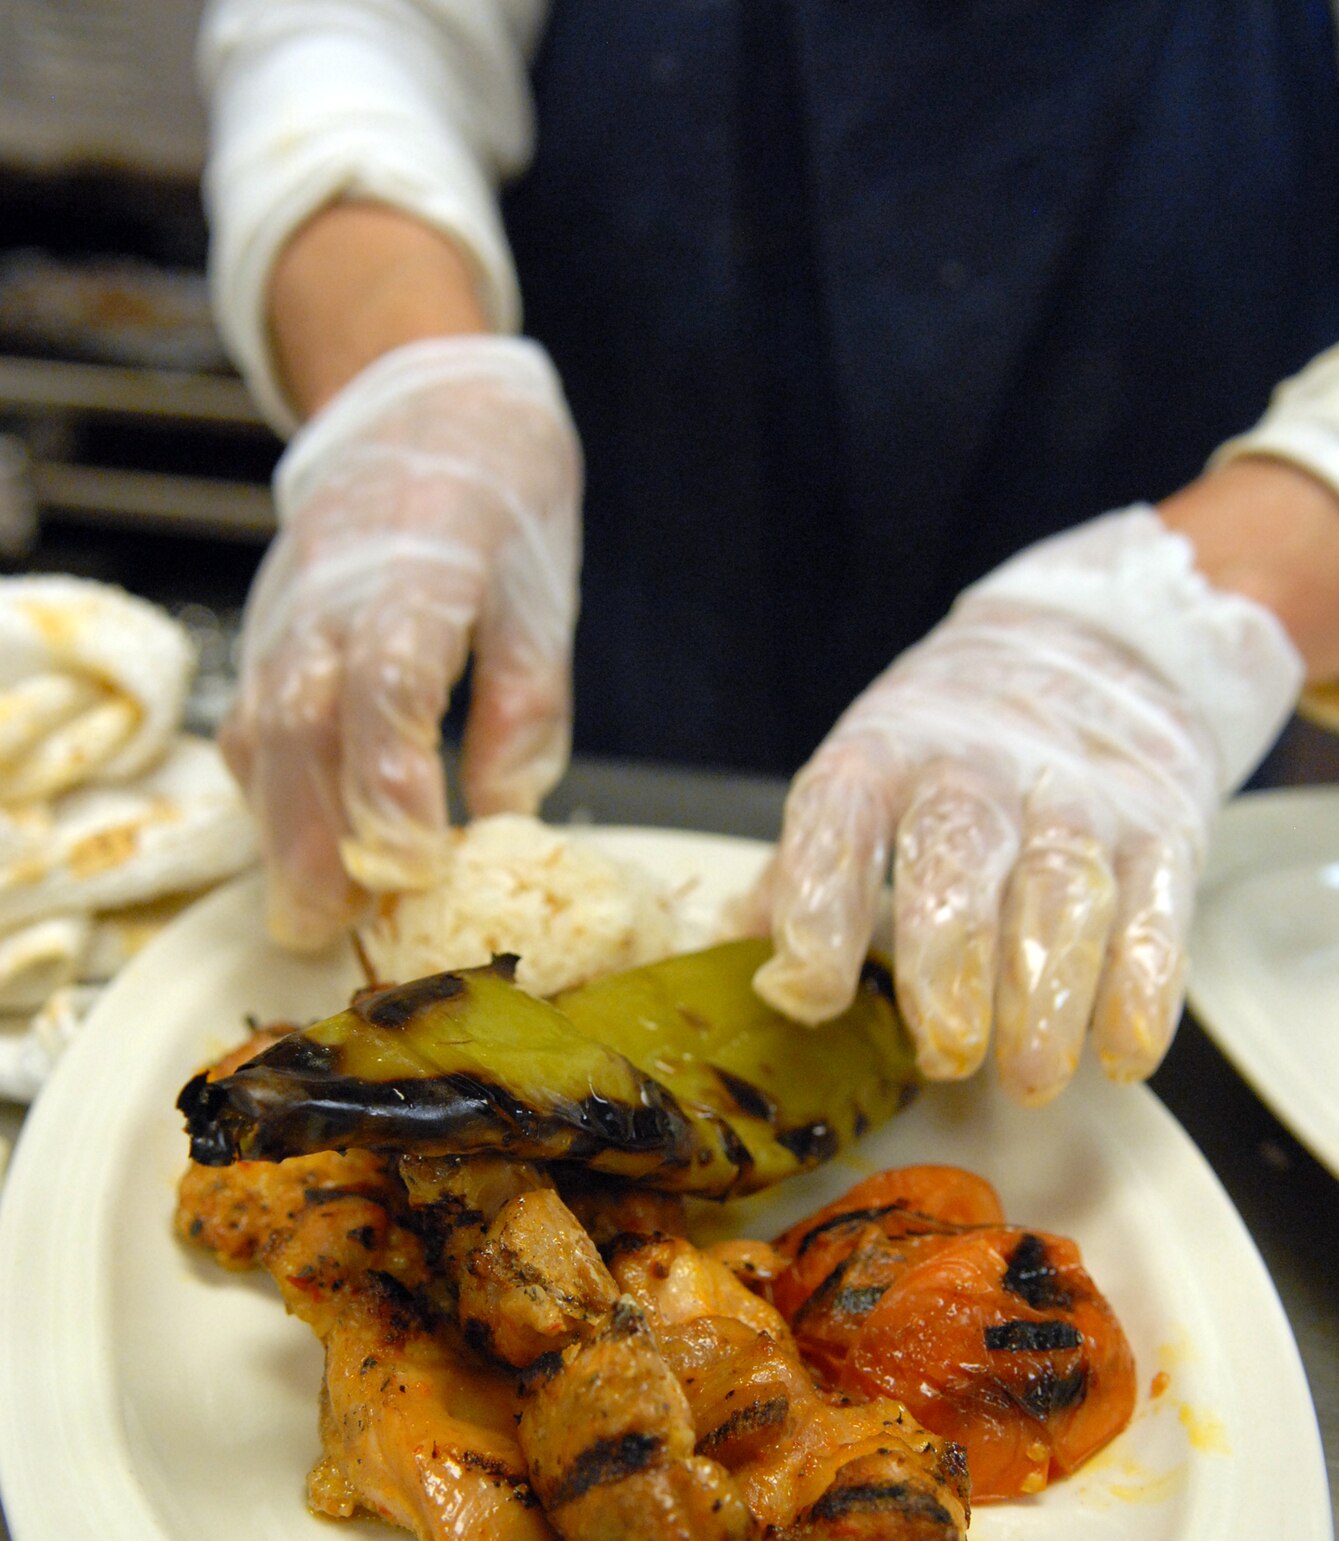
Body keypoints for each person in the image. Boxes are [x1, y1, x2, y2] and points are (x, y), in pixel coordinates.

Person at [197, 0, 1339, 1105]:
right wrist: (411, 388)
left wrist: (1190, 615)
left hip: (1150, 832)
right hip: (607, 636)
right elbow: (352, 28)